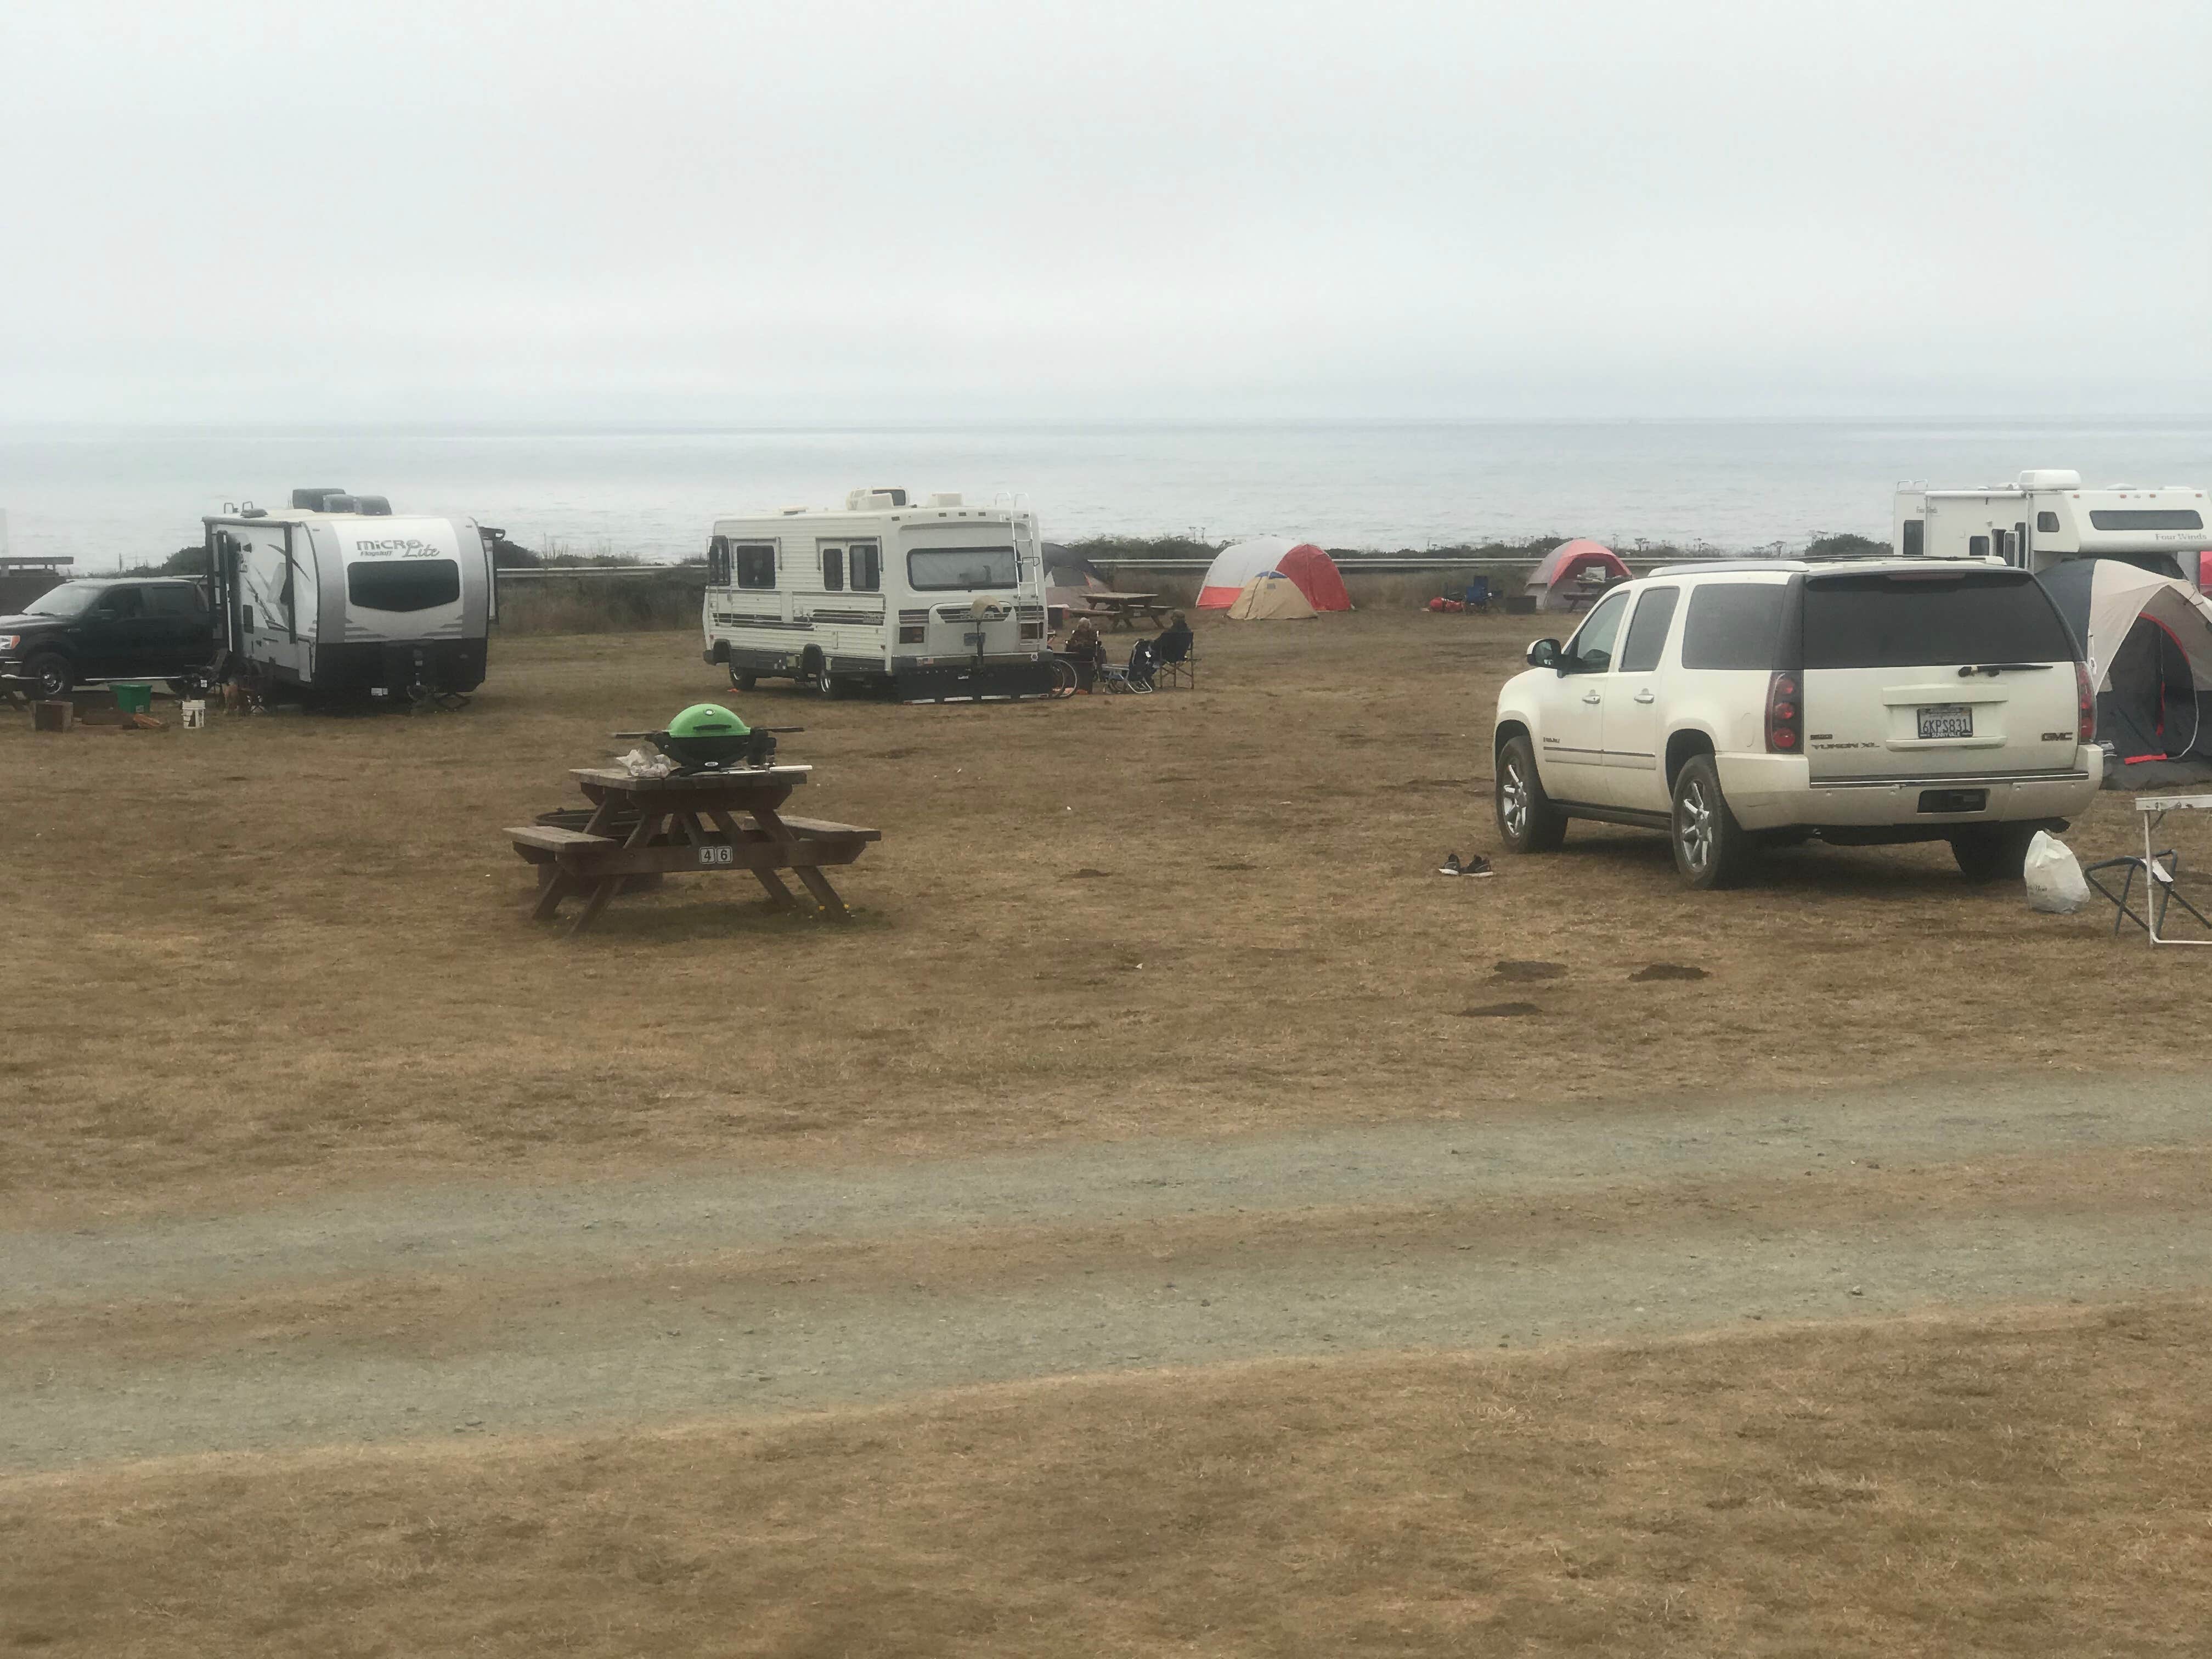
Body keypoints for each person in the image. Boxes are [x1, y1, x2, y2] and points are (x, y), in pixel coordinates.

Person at [1063, 616, 1106, 692]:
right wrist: (1076, 644)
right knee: (1075, 647)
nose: (1082, 629)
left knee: (1086, 648)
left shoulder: (1092, 633)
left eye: (1084, 627)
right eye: (1081, 627)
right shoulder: (1076, 633)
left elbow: (1093, 643)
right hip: (1076, 652)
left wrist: (1083, 643)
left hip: (1087, 652)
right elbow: (1072, 641)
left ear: (1088, 627)